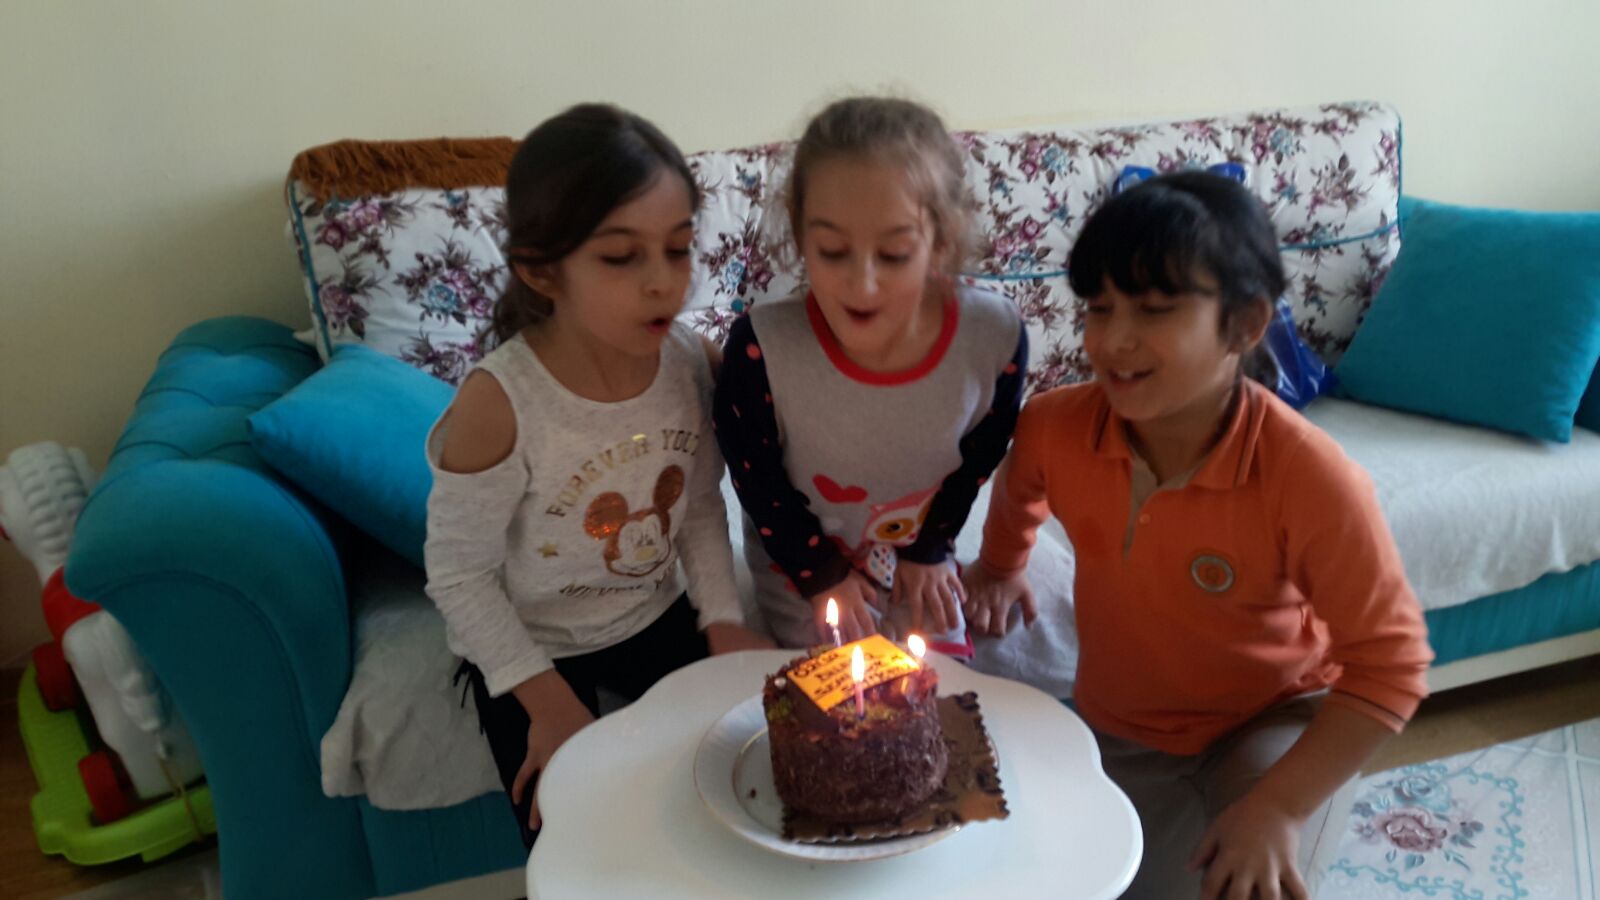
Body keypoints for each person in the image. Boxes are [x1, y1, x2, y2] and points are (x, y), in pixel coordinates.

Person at [966, 170, 1433, 899]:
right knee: (1051, 877)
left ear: (1245, 325)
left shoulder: (1309, 476)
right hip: (1121, 727)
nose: (1113, 340)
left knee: (1252, 884)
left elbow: (1392, 667)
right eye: (1099, 308)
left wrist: (1280, 807)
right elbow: (1019, 488)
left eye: (1155, 310)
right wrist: (1000, 567)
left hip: (1274, 723)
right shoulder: (1055, 426)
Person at [425, 104, 769, 847]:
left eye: (678, 249)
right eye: (622, 257)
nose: (664, 283)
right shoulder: (499, 402)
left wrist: (722, 618)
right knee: (570, 834)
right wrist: (546, 701)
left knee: (733, 796)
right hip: (535, 644)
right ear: (540, 270)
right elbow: (458, 576)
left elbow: (697, 506)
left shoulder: (689, 362)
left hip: (651, 614)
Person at [715, 96, 1028, 655]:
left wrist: (931, 549)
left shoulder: (994, 338)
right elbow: (756, 482)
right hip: (803, 563)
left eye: (894, 253)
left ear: (942, 239)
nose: (861, 284)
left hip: (916, 551)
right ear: (800, 236)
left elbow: (979, 458)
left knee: (940, 684)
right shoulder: (761, 349)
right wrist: (820, 574)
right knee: (833, 692)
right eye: (833, 250)